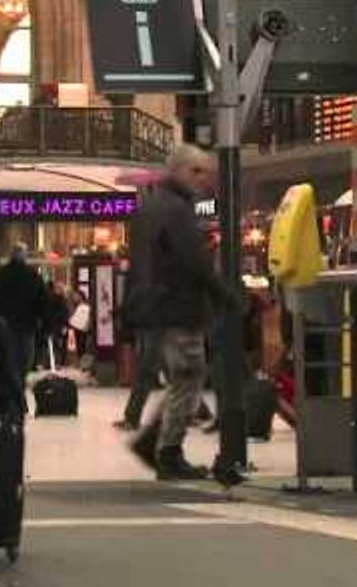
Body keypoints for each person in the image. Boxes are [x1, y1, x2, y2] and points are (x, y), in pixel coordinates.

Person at [125, 144, 236, 480]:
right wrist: (224, 294)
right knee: (188, 376)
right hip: (178, 305)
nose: (205, 179)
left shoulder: (152, 204)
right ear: (179, 171)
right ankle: (168, 451)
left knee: (181, 376)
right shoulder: (175, 209)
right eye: (197, 171)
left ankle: (154, 441)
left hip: (158, 305)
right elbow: (193, 260)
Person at [0, 243, 47, 376]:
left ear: (11, 256)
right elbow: (42, 302)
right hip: (26, 326)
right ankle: (20, 386)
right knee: (24, 362)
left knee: (6, 361)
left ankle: (11, 388)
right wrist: (43, 325)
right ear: (24, 256)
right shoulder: (33, 276)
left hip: (3, 325)